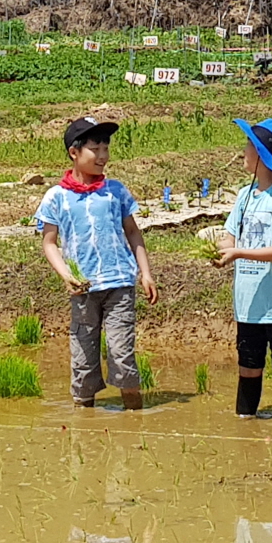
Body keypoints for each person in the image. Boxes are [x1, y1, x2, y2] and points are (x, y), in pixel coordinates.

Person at [35, 117, 158, 410]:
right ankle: (83, 417)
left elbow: (133, 232)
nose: (103, 155)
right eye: (95, 149)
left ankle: (134, 413)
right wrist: (66, 275)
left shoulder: (115, 191)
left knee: (122, 353)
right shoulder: (56, 197)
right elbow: (49, 243)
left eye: (106, 148)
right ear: (74, 152)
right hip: (82, 288)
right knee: (83, 356)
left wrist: (146, 273)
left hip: (119, 284)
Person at [217, 118, 272, 419]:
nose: (243, 151)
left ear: (263, 156)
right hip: (248, 303)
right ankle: (245, 423)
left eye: (249, 146)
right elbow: (230, 236)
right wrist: (221, 249)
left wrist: (238, 252)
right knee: (248, 366)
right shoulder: (244, 195)